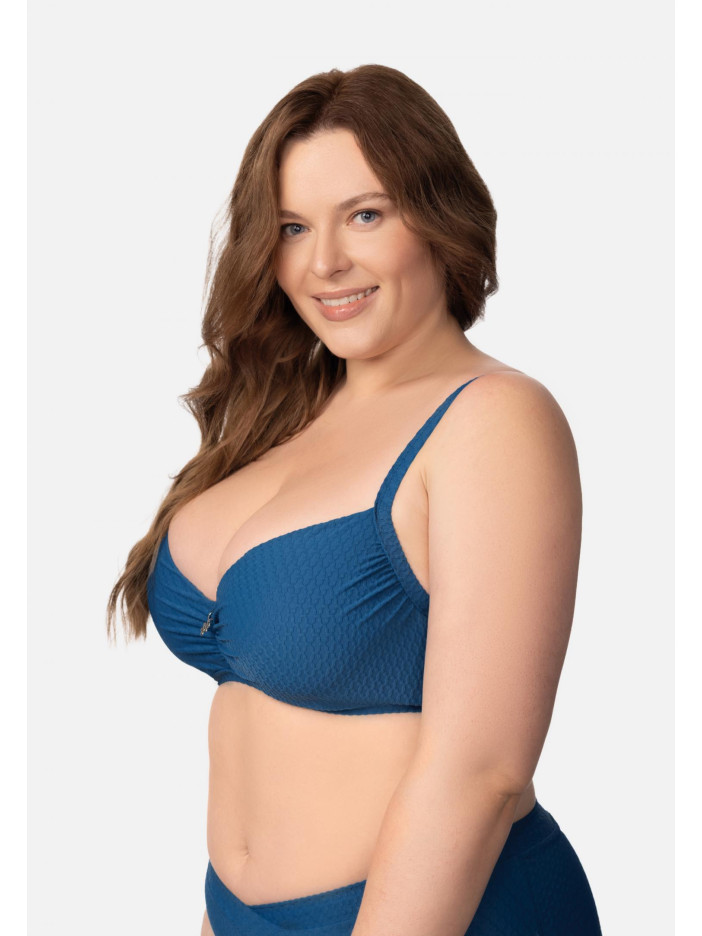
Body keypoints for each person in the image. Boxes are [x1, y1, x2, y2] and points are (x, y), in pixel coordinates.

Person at [106, 63, 603, 936]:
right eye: (293, 227)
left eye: (365, 215)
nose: (325, 261)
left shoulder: (492, 419)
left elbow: (481, 775)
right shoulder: (279, 418)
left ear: (440, 217)